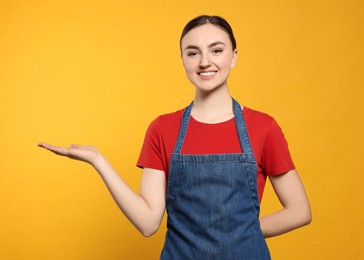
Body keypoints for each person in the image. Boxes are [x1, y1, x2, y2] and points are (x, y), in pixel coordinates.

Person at [38, 15, 311, 259]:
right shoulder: (162, 129)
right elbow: (148, 223)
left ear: (234, 56)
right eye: (193, 53)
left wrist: (239, 234)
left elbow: (299, 211)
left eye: (216, 50)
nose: (205, 62)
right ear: (182, 59)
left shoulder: (263, 127)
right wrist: (98, 160)